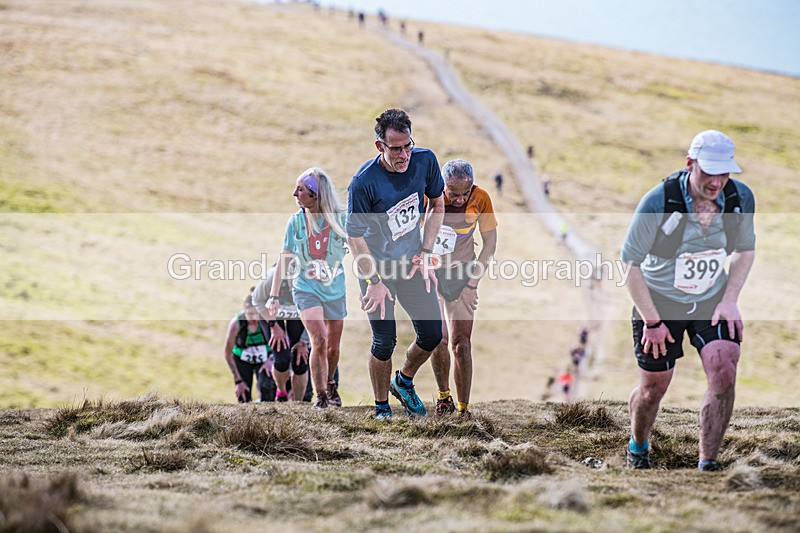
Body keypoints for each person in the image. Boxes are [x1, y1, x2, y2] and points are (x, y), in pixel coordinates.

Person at [620, 130, 755, 471]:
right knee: (653, 388)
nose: (717, 182)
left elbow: (744, 251)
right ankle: (638, 447)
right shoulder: (658, 202)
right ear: (690, 164)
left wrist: (730, 300)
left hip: (712, 300)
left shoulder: (739, 199)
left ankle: (707, 464)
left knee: (724, 370)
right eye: (709, 172)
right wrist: (651, 320)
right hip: (659, 302)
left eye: (724, 173)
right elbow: (630, 265)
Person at [347, 108, 445, 419]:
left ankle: (403, 381)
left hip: (412, 262)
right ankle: (381, 409)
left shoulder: (425, 160)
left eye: (407, 146)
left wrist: (426, 251)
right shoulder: (364, 183)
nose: (403, 154)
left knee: (432, 333)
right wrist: (374, 282)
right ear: (380, 146)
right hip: (377, 268)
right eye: (395, 148)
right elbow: (355, 238)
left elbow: (437, 204)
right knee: (384, 340)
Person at [269, 167, 348, 410]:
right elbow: (283, 259)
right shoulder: (295, 222)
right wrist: (273, 296)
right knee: (319, 339)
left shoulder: (341, 219)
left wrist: (371, 282)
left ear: (315, 194)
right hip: (305, 289)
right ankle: (321, 396)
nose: (295, 194)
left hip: (335, 290)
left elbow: (360, 249)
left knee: (333, 348)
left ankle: (331, 383)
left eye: (300, 190)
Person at [428, 160, 498, 418]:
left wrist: (472, 284)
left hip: (463, 274)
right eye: (452, 193)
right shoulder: (429, 196)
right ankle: (443, 397)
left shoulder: (481, 198)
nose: (458, 199)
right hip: (433, 273)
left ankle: (464, 408)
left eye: (464, 194)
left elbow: (489, 245)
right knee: (438, 339)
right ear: (442, 186)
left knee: (461, 345)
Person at [252, 269, 311, 402]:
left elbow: (319, 313)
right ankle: (281, 393)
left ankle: (298, 403)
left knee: (300, 360)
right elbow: (257, 300)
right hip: (272, 312)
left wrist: (304, 341)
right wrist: (274, 326)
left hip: (298, 315)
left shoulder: (313, 281)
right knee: (282, 358)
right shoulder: (271, 277)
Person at [223, 290, 276, 403]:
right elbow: (228, 354)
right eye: (250, 314)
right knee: (243, 395)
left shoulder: (267, 320)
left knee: (267, 389)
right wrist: (238, 381)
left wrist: (271, 360)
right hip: (242, 360)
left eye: (257, 313)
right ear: (244, 311)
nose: (254, 318)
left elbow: (280, 342)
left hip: (264, 360)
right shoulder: (236, 325)